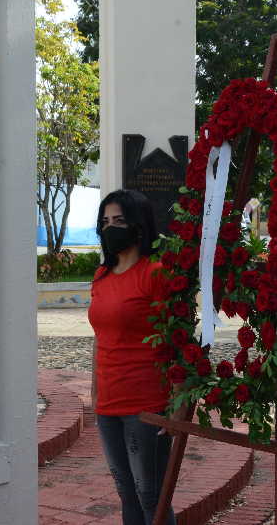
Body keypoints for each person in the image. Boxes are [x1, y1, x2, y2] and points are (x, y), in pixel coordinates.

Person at [88, 189, 178, 525]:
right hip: (108, 402)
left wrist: (177, 401)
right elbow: (100, 336)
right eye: (105, 222)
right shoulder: (101, 276)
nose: (110, 228)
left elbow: (177, 338)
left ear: (138, 226)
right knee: (126, 492)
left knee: (151, 495)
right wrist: (94, 387)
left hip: (146, 404)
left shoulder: (156, 273)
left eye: (119, 221)